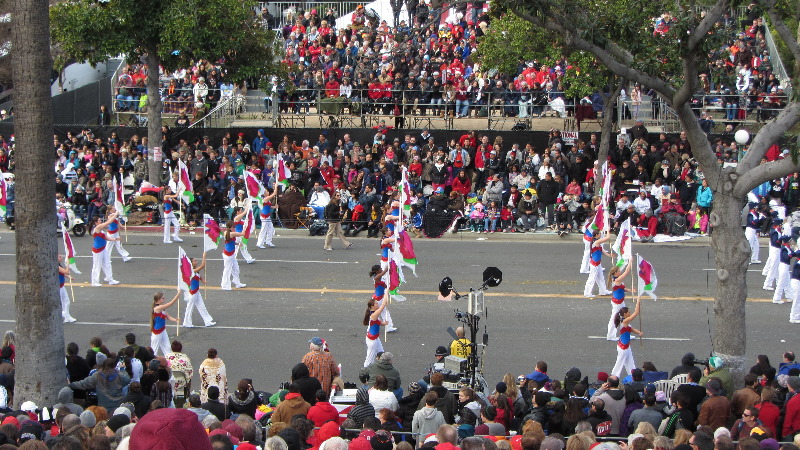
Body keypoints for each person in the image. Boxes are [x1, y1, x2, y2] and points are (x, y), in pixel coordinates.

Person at [611, 300, 643, 378]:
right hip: (623, 347)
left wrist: (639, 333)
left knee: (630, 363)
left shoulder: (626, 323)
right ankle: (614, 377)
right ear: (625, 314)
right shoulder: (624, 321)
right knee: (620, 363)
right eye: (628, 312)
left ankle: (633, 375)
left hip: (625, 346)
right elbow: (636, 313)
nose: (630, 313)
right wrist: (638, 302)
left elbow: (631, 329)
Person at [183, 252, 215, 328]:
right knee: (189, 308)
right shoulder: (191, 271)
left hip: (197, 292)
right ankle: (186, 323)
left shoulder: (195, 270)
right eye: (195, 261)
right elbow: (203, 265)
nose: (196, 262)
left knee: (202, 306)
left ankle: (207, 321)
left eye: (196, 261)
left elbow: (198, 275)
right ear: (191, 263)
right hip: (192, 293)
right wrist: (204, 256)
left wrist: (202, 280)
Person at [90, 212, 120, 286]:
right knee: (97, 265)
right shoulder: (97, 228)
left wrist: (115, 239)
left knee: (107, 263)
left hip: (103, 249)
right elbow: (109, 222)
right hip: (97, 250)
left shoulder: (101, 229)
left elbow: (105, 237)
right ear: (96, 222)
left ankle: (110, 279)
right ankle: (94, 281)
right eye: (99, 220)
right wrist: (116, 214)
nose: (101, 221)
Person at [606, 263, 634, 341]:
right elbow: (627, 271)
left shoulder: (618, 279)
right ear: (615, 273)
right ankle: (610, 336)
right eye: (618, 271)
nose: (620, 272)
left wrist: (630, 290)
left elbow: (622, 288)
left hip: (620, 302)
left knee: (625, 316)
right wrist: (630, 262)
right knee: (614, 319)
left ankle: (626, 334)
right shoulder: (617, 280)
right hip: (617, 303)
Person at [150, 290, 180, 356]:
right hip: (157, 332)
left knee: (168, 348)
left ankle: (170, 361)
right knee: (154, 350)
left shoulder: (162, 308)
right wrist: (178, 294)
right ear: (158, 299)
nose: (164, 299)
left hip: (163, 330)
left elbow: (168, 316)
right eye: (163, 298)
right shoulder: (157, 308)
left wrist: (175, 320)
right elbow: (171, 303)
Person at [584, 233, 613, 298]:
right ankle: (587, 292)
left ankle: (603, 291)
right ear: (596, 234)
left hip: (598, 263)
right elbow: (607, 237)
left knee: (601, 277)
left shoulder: (596, 242)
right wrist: (608, 231)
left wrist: (609, 255)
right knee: (592, 278)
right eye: (599, 234)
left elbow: (601, 250)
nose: (600, 234)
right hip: (594, 263)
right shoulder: (596, 241)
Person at [220, 219, 246, 291]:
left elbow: (230, 242)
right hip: (228, 255)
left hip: (231, 254)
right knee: (227, 270)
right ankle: (224, 285)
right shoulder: (231, 233)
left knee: (236, 268)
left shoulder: (228, 232)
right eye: (233, 226)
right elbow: (243, 234)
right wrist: (246, 225)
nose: (234, 228)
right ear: (231, 227)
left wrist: (237, 244)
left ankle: (237, 282)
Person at [363, 293, 388, 367]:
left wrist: (384, 323)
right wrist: (386, 293)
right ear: (372, 306)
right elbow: (383, 305)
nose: (378, 304)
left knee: (381, 353)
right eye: (376, 303)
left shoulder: (374, 314)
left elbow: (379, 322)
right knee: (369, 359)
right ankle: (365, 371)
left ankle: (382, 366)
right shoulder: (374, 315)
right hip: (372, 340)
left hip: (375, 338)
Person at [369, 264, 395, 333]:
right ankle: (388, 326)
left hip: (379, 298)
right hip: (378, 299)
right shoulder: (376, 278)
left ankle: (387, 326)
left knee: (380, 312)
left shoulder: (380, 277)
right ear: (377, 271)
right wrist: (387, 267)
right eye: (380, 269)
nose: (381, 269)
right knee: (383, 312)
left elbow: (385, 285)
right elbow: (384, 272)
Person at [58, 255, 77, 323]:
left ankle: (67, 317)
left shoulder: (59, 265)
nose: (61, 257)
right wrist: (68, 264)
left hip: (61, 286)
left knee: (66, 301)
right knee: (60, 303)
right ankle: (64, 315)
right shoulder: (57, 266)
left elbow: (63, 273)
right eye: (59, 257)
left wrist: (69, 277)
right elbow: (66, 272)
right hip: (58, 288)